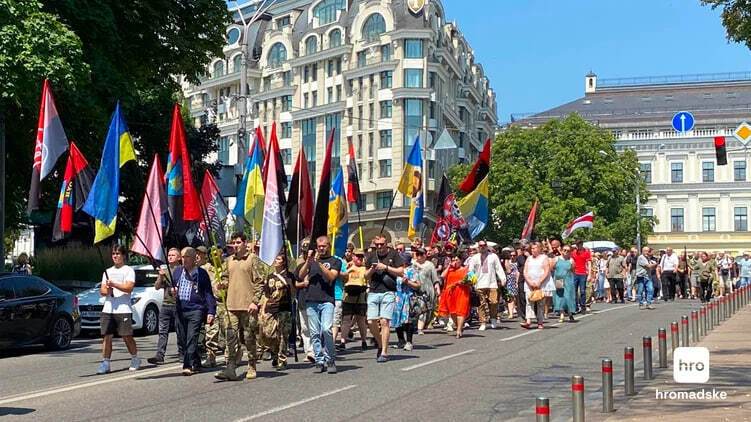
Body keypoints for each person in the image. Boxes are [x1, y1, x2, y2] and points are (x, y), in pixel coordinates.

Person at [215, 232, 263, 381]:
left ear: (244, 243)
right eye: (233, 243)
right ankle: (230, 367)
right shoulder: (228, 260)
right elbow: (225, 278)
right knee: (231, 337)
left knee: (248, 337)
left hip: (248, 305)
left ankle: (251, 364)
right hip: (231, 305)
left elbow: (259, 282)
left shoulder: (253, 259)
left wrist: (255, 301)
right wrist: (222, 284)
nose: (235, 246)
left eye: (238, 242)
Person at [297, 236, 341, 373]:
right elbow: (300, 275)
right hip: (311, 300)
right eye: (319, 246)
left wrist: (319, 263)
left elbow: (332, 277)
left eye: (324, 246)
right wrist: (308, 262)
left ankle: (330, 359)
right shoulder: (311, 261)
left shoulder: (335, 261)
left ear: (329, 246)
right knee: (314, 332)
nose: (321, 248)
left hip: (327, 300)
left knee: (326, 329)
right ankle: (319, 360)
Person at [97, 244, 140, 374]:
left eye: (118, 254)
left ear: (123, 256)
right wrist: (108, 290)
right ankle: (105, 362)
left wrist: (114, 284)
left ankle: (135, 358)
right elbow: (102, 290)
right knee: (106, 336)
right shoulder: (108, 271)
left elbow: (128, 288)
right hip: (109, 308)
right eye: (113, 254)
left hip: (123, 308)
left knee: (126, 336)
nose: (115, 256)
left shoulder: (128, 270)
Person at [173, 247, 216, 375]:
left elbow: (208, 294)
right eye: (182, 257)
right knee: (183, 338)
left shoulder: (201, 273)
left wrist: (211, 311)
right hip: (181, 309)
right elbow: (172, 287)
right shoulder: (177, 271)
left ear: (194, 258)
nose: (184, 259)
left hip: (196, 309)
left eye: (187, 257)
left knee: (192, 337)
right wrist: (172, 291)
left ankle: (188, 365)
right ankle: (196, 360)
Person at [365, 235, 405, 362]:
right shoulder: (371, 256)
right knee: (371, 321)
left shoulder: (394, 254)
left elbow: (401, 271)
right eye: (377, 244)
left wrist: (386, 267)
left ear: (386, 244)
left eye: (381, 244)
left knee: (384, 321)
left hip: (388, 291)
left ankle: (384, 352)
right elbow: (365, 276)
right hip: (373, 291)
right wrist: (372, 268)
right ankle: (380, 342)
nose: (379, 247)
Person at [259, 251, 294, 371]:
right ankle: (274, 352)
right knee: (268, 334)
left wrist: (289, 284)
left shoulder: (289, 276)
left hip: (284, 308)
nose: (275, 260)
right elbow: (267, 295)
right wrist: (263, 310)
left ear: (283, 262)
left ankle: (282, 359)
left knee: (283, 335)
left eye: (278, 259)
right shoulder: (270, 277)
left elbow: (293, 292)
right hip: (271, 308)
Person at [148, 247, 182, 366]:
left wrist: (178, 289)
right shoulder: (165, 270)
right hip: (166, 304)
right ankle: (160, 355)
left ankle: (182, 353)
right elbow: (157, 286)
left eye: (173, 255)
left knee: (180, 330)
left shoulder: (182, 270)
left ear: (179, 258)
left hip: (179, 305)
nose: (170, 257)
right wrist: (161, 276)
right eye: (169, 255)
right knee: (162, 331)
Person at [198, 245, 228, 368]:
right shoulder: (206, 269)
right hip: (212, 303)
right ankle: (211, 357)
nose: (215, 257)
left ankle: (229, 357)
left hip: (225, 303)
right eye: (213, 255)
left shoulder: (227, 267)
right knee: (211, 331)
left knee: (227, 331)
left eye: (217, 254)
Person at [467, 240, 505, 330]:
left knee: (494, 302)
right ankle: (482, 322)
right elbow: (470, 271)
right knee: (481, 304)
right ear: (478, 247)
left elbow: (498, 268)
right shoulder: (474, 258)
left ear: (487, 246)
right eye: (480, 246)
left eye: (484, 245)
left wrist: (503, 278)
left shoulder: (493, 256)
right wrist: (470, 281)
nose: (482, 247)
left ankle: (493, 318)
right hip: (479, 283)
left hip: (492, 283)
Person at [340, 249, 370, 350]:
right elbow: (343, 277)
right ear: (353, 256)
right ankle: (343, 341)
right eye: (357, 256)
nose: (359, 258)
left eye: (361, 256)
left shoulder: (365, 268)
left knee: (361, 320)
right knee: (346, 319)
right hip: (348, 295)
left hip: (360, 296)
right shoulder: (348, 267)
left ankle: (364, 341)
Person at [438, 254, 470, 338]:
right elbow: (442, 276)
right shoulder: (450, 269)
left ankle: (459, 330)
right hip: (450, 293)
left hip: (462, 292)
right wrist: (449, 266)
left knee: (461, 311)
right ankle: (459, 326)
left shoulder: (465, 269)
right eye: (453, 260)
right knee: (453, 312)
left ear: (461, 261)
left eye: (456, 260)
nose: (454, 262)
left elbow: (471, 280)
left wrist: (463, 282)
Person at [412, 247, 440, 335]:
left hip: (427, 290)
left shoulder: (429, 265)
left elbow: (435, 278)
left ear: (425, 255)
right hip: (414, 289)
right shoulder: (412, 264)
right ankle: (415, 326)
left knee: (424, 309)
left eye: (421, 254)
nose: (419, 256)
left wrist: (437, 287)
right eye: (417, 254)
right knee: (415, 309)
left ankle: (420, 328)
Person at [393, 264, 422, 350]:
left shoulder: (412, 270)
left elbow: (418, 285)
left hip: (408, 297)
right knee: (397, 319)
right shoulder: (395, 270)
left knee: (408, 320)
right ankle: (401, 341)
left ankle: (409, 342)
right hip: (397, 297)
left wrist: (408, 282)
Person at [522, 242, 549, 329]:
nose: (532, 250)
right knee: (529, 302)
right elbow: (525, 271)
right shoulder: (529, 258)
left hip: (540, 283)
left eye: (534, 248)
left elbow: (546, 271)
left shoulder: (544, 258)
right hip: (529, 283)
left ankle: (540, 322)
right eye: (532, 248)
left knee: (540, 303)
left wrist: (539, 281)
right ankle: (528, 321)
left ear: (539, 249)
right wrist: (529, 281)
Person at [553, 245, 576, 322]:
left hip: (568, 280)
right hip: (559, 279)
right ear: (562, 250)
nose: (566, 252)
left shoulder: (571, 260)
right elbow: (552, 268)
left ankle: (570, 313)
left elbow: (573, 270)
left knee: (568, 297)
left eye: (568, 250)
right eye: (564, 250)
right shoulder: (556, 259)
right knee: (560, 296)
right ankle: (562, 314)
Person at [570, 240, 591, 313]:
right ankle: (575, 307)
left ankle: (583, 307)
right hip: (575, 273)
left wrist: (590, 274)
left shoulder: (586, 252)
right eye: (577, 244)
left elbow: (589, 263)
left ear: (582, 244)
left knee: (582, 291)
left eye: (580, 244)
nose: (578, 245)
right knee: (574, 291)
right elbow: (571, 262)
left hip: (583, 273)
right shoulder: (573, 253)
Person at [501, 248, 519, 320]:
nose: (512, 257)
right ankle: (511, 313)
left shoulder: (518, 262)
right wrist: (506, 260)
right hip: (509, 281)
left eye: (514, 255)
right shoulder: (507, 262)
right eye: (511, 255)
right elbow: (508, 271)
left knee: (516, 297)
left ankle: (515, 309)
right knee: (510, 297)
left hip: (517, 280)